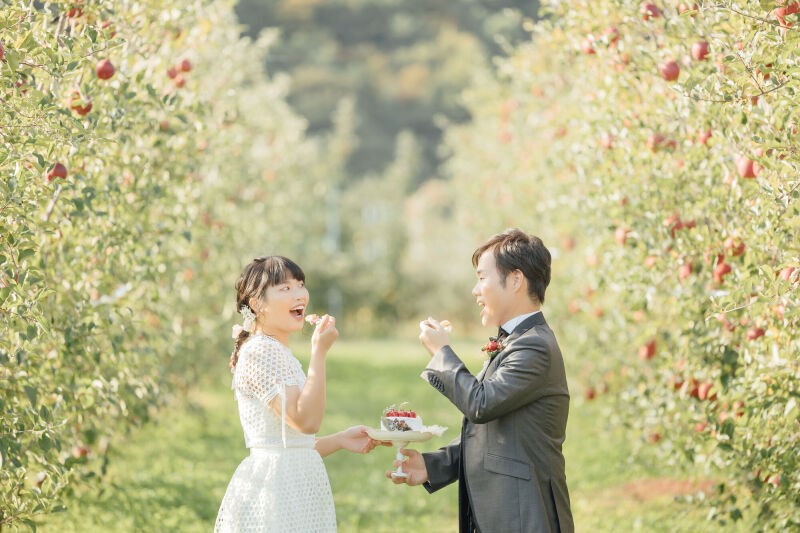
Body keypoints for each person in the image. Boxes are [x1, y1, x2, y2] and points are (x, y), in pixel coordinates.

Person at [387, 229, 574, 533]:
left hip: (524, 517)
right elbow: (495, 431)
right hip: (505, 513)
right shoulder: (516, 341)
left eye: (482, 278)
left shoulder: (535, 346)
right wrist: (432, 465)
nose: (475, 291)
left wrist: (441, 352)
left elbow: (481, 403)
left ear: (516, 280)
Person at [215, 255, 386, 532]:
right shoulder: (262, 351)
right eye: (285, 288)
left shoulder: (276, 351)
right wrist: (319, 352)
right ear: (257, 305)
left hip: (290, 488)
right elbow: (305, 421)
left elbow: (290, 447)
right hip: (274, 496)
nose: (299, 294)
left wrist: (341, 439)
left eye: (300, 285)